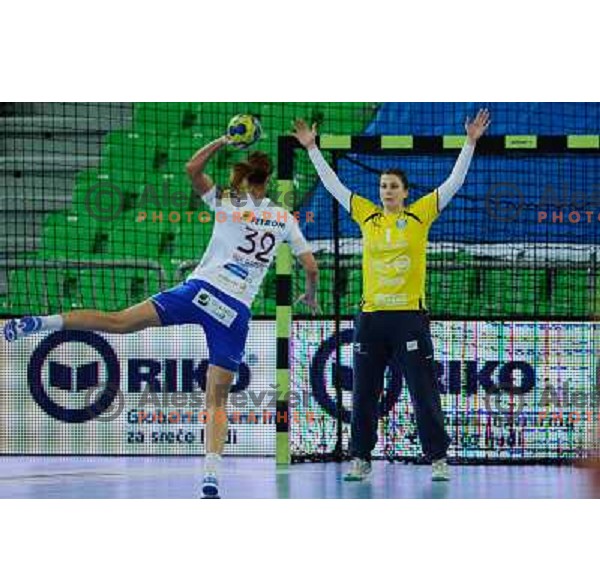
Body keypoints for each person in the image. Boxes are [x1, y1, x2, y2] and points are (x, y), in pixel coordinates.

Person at [4, 134, 320, 499]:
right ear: (268, 182)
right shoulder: (283, 218)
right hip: (234, 311)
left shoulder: (228, 203)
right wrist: (310, 295)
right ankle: (211, 476)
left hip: (200, 292)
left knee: (118, 321)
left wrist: (222, 140)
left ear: (243, 179)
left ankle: (44, 322)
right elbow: (310, 267)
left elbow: (191, 168)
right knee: (216, 399)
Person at [294, 109, 491, 482]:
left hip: (409, 319)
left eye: (393, 186)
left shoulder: (420, 215)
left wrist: (469, 143)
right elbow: (334, 185)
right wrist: (312, 149)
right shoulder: (367, 216)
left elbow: (453, 182)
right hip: (371, 319)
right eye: (383, 186)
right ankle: (361, 459)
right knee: (364, 393)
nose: (386, 191)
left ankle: (437, 459)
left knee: (423, 392)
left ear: (405, 192)